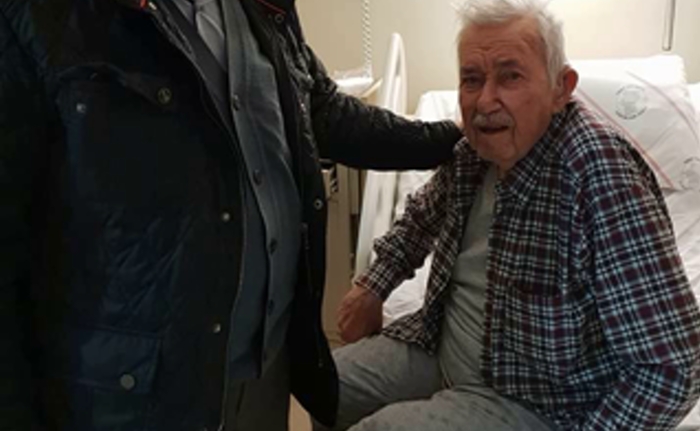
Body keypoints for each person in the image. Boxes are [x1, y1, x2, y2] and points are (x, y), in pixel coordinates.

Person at [0, 0, 463, 429]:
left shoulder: (261, 7)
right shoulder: (38, 18)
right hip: (132, 391)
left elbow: (322, 110)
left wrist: (454, 139)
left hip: (264, 365)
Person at [323, 0, 700, 430]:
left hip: (536, 399)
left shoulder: (601, 174)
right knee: (321, 386)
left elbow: (674, 367)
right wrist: (372, 286)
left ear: (561, 88)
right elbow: (420, 218)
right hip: (440, 346)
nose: (486, 100)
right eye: (472, 79)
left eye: (511, 77)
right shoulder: (473, 151)